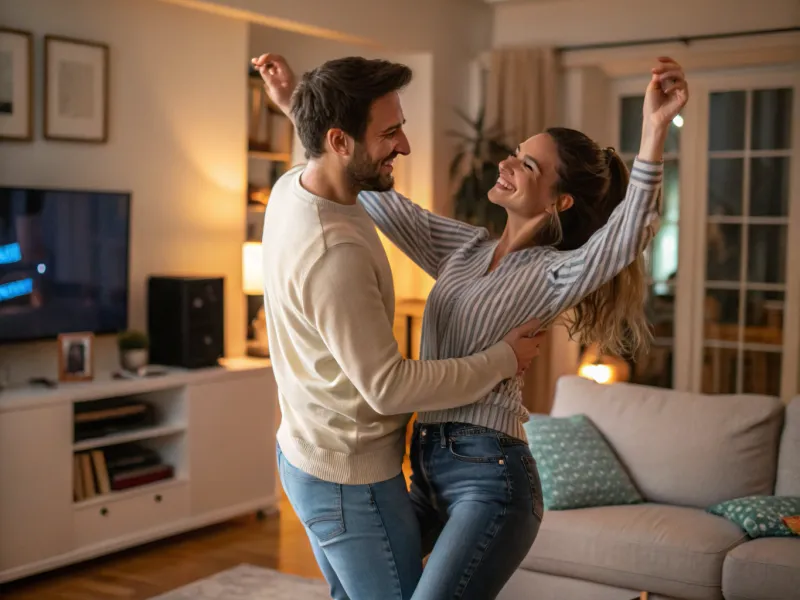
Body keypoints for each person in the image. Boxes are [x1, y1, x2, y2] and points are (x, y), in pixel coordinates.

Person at [258, 52, 689, 600]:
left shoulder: (552, 274)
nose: (506, 165)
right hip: (429, 470)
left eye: (527, 166)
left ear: (559, 200)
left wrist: (653, 133)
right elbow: (362, 180)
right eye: (514, 154)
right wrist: (301, 107)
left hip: (492, 480)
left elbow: (624, 237)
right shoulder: (463, 249)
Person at [251, 54, 545, 600]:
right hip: (349, 481)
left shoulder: (296, 185)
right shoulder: (331, 253)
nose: (405, 145)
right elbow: (388, 388)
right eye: (391, 132)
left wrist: (296, 104)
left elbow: (322, 143)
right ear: (340, 142)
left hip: (305, 454)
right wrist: (503, 358)